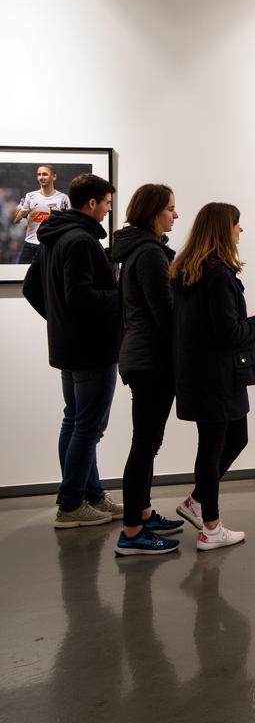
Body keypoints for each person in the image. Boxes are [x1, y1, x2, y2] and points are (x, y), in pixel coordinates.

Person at [23, 172, 123, 528]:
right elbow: (81, 296)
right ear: (92, 203)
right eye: (107, 204)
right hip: (91, 347)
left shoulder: (53, 236)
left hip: (69, 344)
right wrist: (120, 295)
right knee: (88, 426)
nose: (109, 211)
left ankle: (90, 494)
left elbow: (31, 287)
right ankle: (70, 504)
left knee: (76, 421)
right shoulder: (81, 241)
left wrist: (58, 320)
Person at [170, 203, 255, 551]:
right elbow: (227, 332)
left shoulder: (187, 270)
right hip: (217, 374)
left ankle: (197, 502)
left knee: (232, 438)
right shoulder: (217, 275)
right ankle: (210, 527)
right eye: (236, 225)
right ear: (221, 230)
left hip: (200, 371)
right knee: (213, 446)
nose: (240, 231)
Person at [111, 183, 183, 556]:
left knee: (148, 442)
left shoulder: (137, 250)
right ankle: (132, 532)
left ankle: (143, 512)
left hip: (142, 356)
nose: (175, 215)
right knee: (144, 444)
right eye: (170, 209)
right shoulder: (150, 254)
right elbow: (165, 313)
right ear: (155, 212)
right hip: (151, 360)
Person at [13, 164, 70, 264]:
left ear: (54, 177)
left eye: (45, 174)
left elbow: (69, 223)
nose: (41, 177)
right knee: (21, 275)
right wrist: (23, 211)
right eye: (39, 174)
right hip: (30, 244)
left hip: (51, 245)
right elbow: (16, 221)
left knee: (49, 277)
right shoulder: (30, 196)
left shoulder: (63, 198)